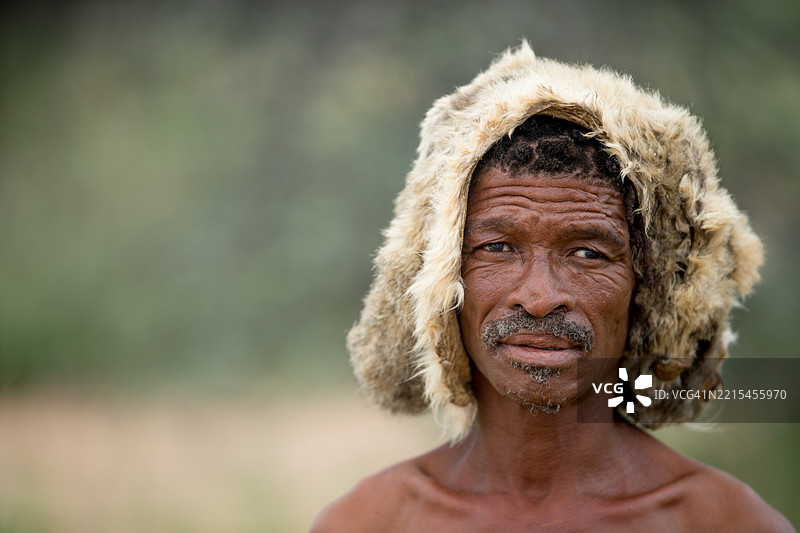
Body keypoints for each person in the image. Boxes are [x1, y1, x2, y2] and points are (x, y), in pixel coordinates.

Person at [311, 43, 794, 532]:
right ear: (440, 276)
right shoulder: (369, 521)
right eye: (497, 248)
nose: (539, 297)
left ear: (651, 290)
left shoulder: (723, 522)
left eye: (588, 254)